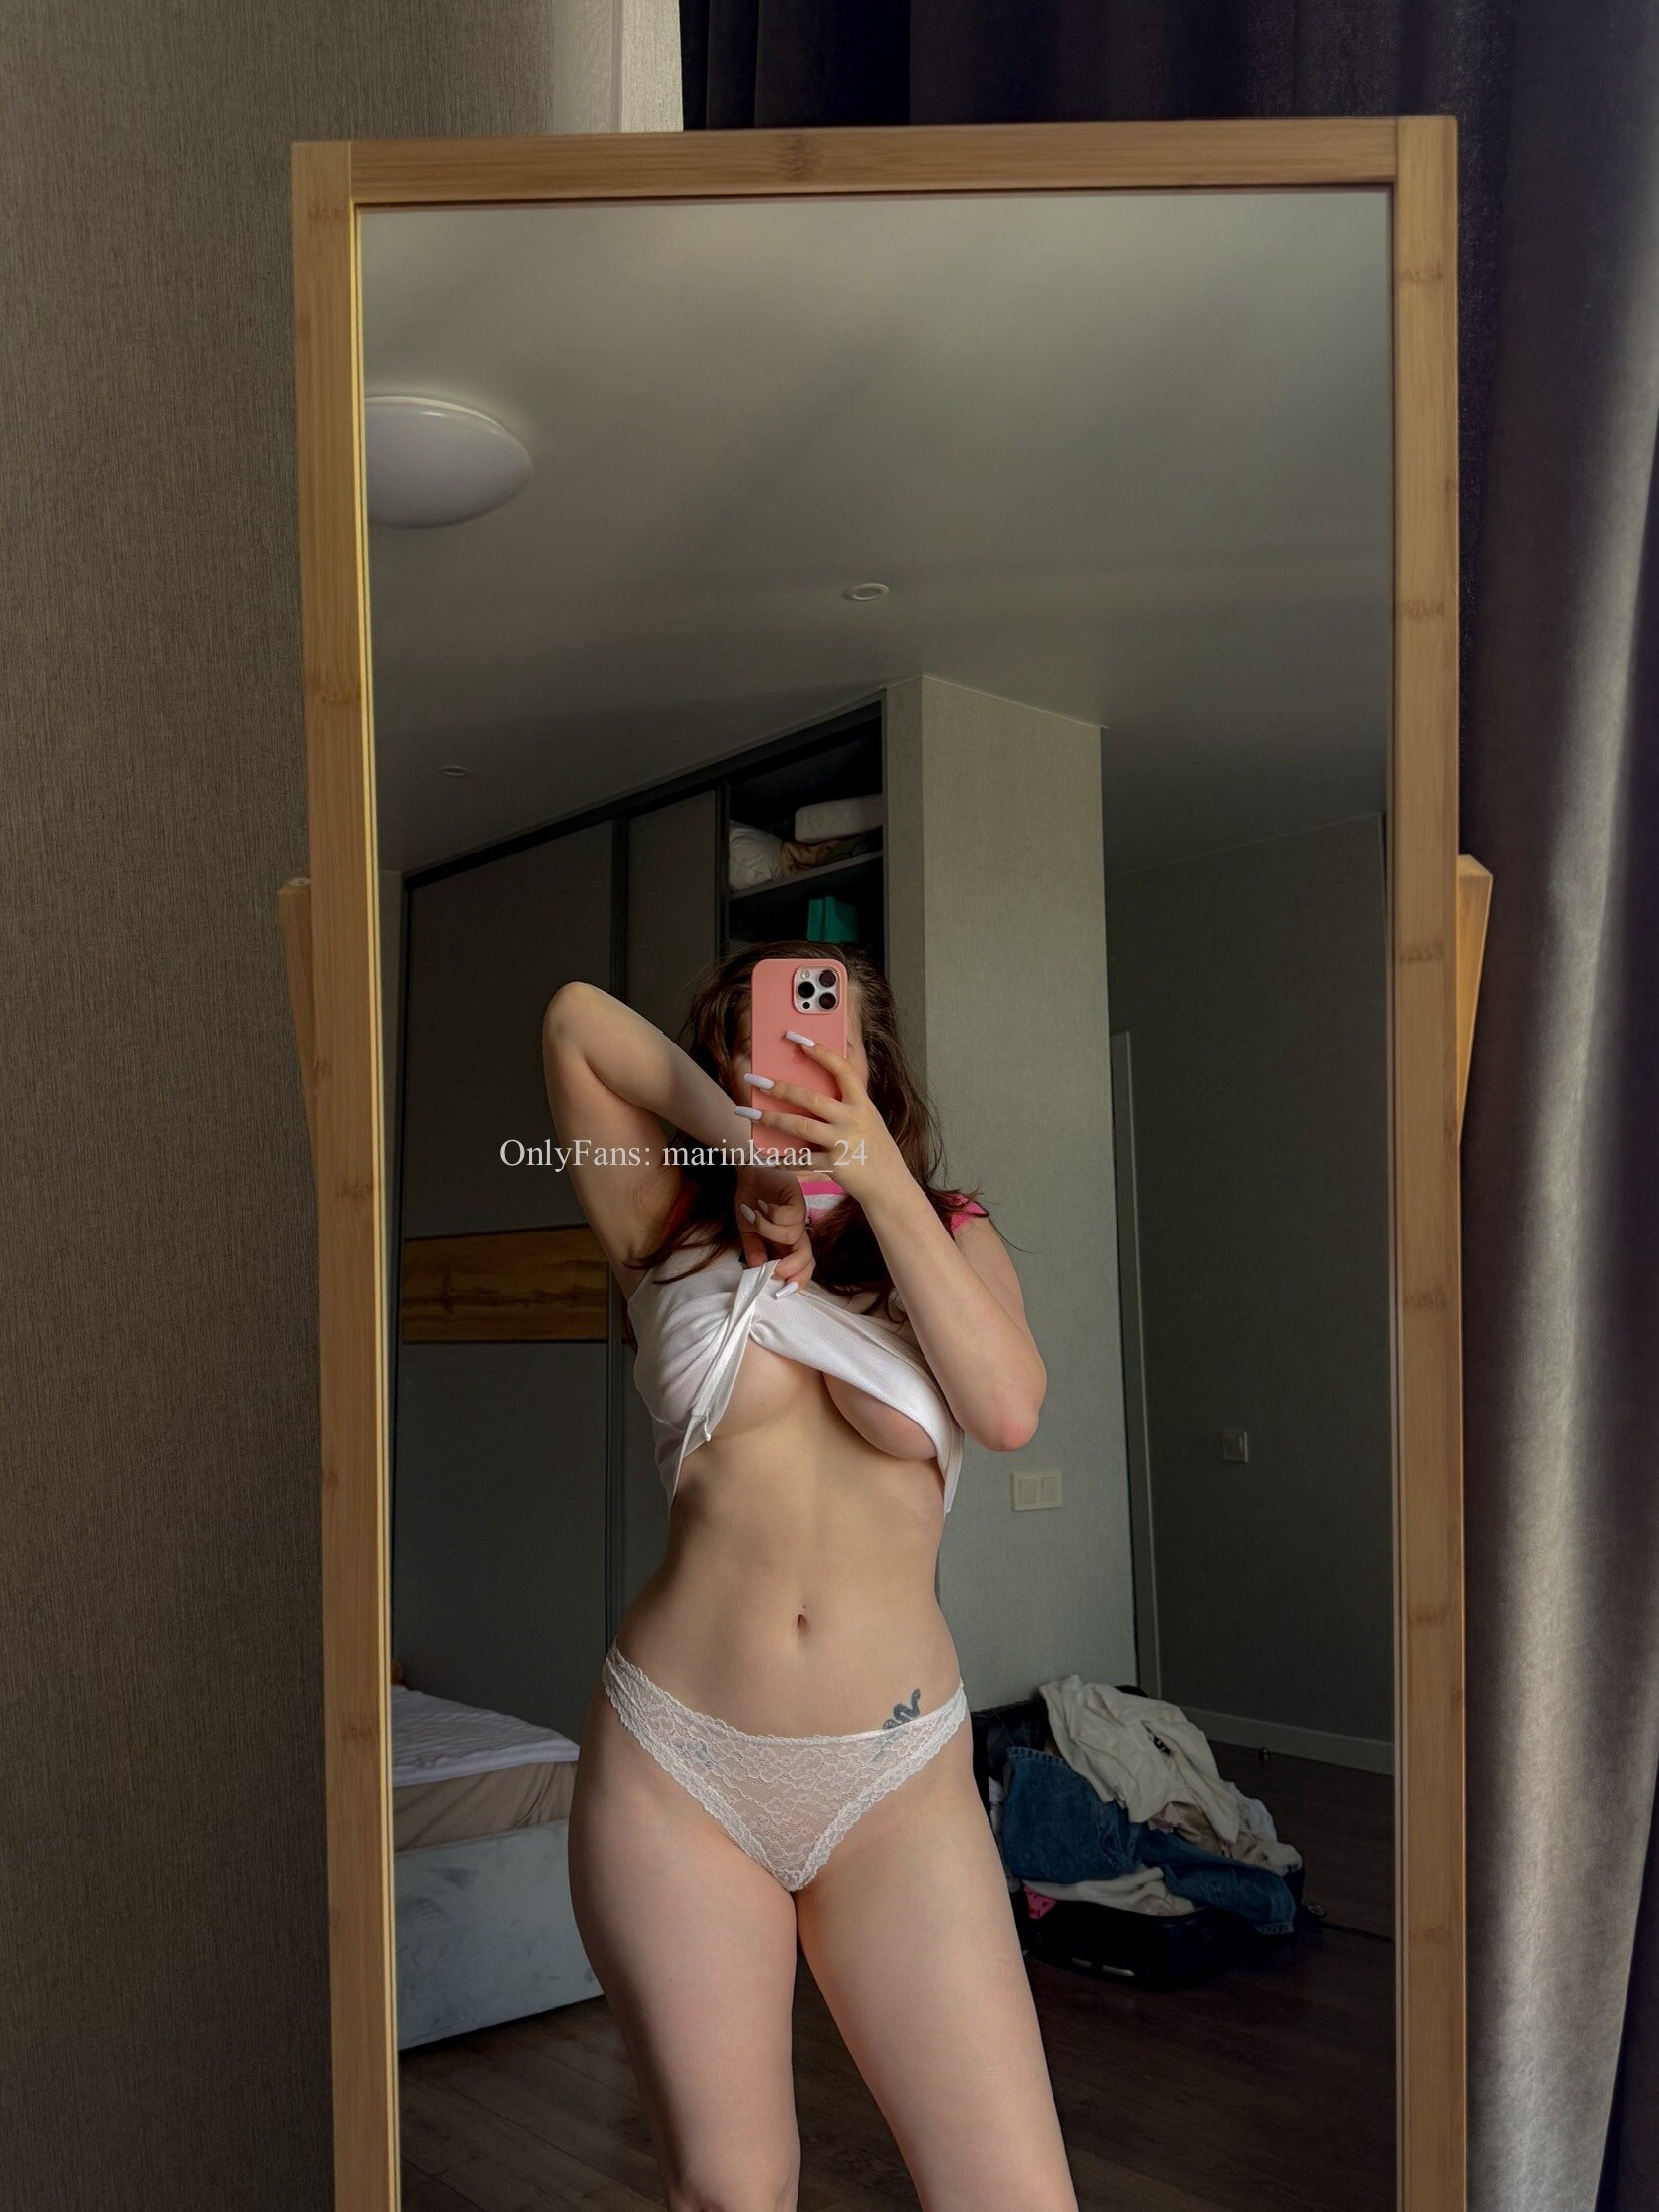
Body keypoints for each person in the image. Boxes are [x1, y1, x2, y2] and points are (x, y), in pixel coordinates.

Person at [542, 940, 1077, 2212]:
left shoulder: (948, 1233)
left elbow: (1006, 1408)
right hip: (678, 1769)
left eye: (814, 1057)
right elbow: (574, 1023)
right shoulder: (662, 1221)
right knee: (734, 2189)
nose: (783, 1080)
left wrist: (871, 1175)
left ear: (870, 1068)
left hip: (895, 1784)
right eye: (754, 1061)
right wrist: (746, 1145)